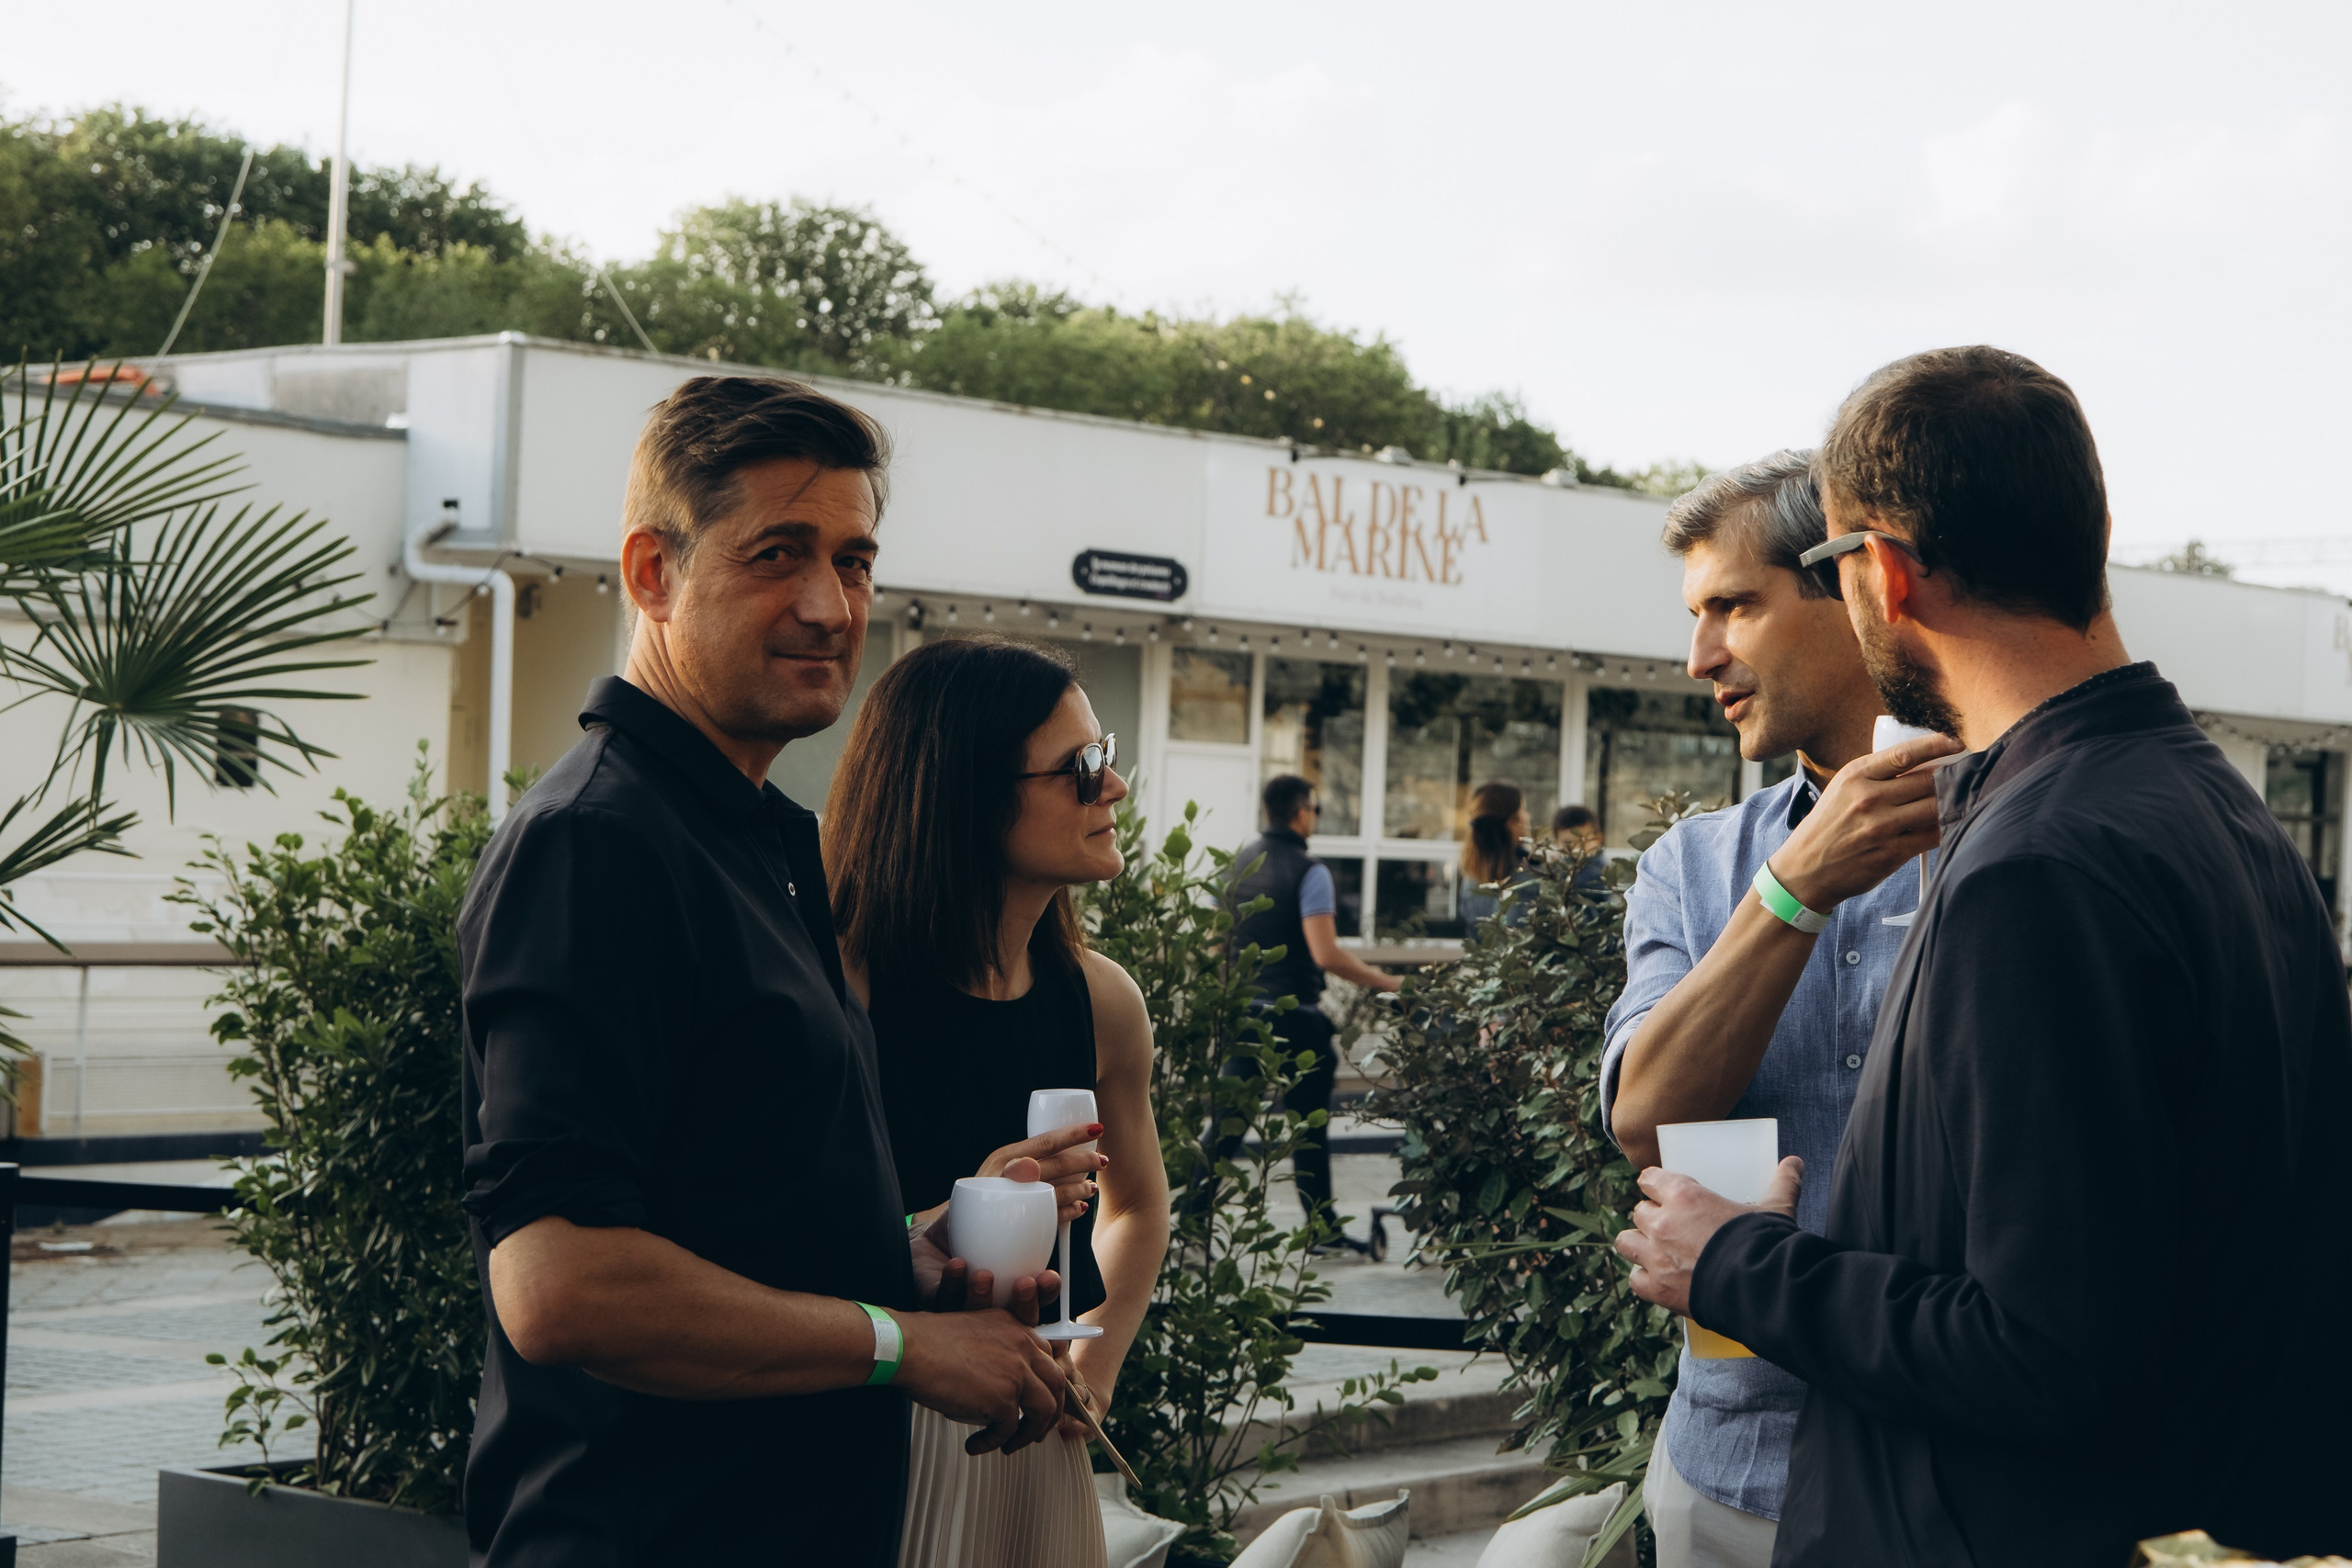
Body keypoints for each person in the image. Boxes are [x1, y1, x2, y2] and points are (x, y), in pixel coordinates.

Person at [1617, 347, 2352, 1565]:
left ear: (1885, 573)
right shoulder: (2219, 811)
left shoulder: (2036, 863)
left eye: (1762, 595)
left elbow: (2048, 1350)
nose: (1701, 654)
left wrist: (1738, 1260)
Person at [458, 377, 1072, 1567]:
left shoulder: (751, 835)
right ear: (652, 573)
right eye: (777, 553)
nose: (829, 604)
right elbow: (561, 1282)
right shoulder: (597, 841)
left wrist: (900, 1247)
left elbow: (715, 1198)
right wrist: (902, 1340)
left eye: (853, 559)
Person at [1600, 450, 1947, 1568]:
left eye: (1735, 607)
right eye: (1697, 616)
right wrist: (1794, 890)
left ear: (1851, 591)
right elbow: (1642, 1118)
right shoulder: (1691, 867)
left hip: (1945, 1474)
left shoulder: (2003, 834)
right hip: (1727, 1467)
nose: (1699, 657)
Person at [822, 636, 1171, 1568]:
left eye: (1106, 759)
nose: (1114, 789)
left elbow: (1139, 1207)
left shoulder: (1101, 1000)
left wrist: (1093, 1372)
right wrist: (954, 1213)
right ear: (966, 792)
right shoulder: (843, 990)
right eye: (1080, 768)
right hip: (882, 1434)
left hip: (1038, 1439)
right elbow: (774, 1245)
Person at [1229, 775, 1401, 1232]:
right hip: (1297, 1019)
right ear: (1301, 812)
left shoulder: (1239, 863)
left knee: (1227, 1127)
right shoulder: (1311, 871)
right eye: (1316, 809)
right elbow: (1326, 955)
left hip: (1246, 1015)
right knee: (1308, 1129)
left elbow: (1218, 939)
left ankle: (1182, 1223)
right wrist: (1388, 981)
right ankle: (1321, 1231)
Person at [1456, 780, 1535, 927]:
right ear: (1511, 822)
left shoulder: (1471, 879)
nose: (1528, 816)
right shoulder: (1530, 876)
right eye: (1523, 809)